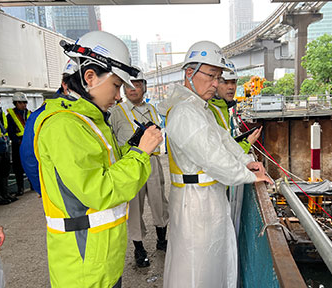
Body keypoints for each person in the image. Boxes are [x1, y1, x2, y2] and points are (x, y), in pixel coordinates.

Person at [33, 31, 162, 288]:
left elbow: (107, 169)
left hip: (100, 255)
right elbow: (100, 191)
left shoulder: (89, 121)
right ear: (90, 77)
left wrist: (132, 148)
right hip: (83, 263)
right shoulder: (64, 126)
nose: (118, 97)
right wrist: (141, 154)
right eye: (116, 86)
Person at [158, 40, 272, 288]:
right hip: (195, 201)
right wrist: (249, 175)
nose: (215, 84)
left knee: (210, 265)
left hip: (207, 197)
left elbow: (223, 141)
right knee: (196, 269)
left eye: (218, 77)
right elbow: (212, 157)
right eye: (211, 76)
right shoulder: (185, 112)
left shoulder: (200, 109)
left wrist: (245, 162)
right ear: (190, 72)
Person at [110, 70, 169, 268]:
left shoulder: (152, 109)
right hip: (130, 164)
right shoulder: (117, 112)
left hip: (152, 163)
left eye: (136, 85)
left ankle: (162, 240)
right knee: (134, 208)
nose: (131, 89)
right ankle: (139, 247)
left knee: (159, 201)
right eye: (127, 85)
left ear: (144, 86)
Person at [20, 59, 78, 196]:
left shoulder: (95, 111)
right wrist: (44, 190)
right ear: (65, 84)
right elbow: (30, 157)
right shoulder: (41, 116)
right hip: (63, 197)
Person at [208, 59, 262, 153]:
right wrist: (247, 142)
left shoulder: (223, 107)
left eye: (233, 82)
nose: (231, 87)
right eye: (225, 82)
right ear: (215, 83)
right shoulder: (209, 111)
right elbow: (220, 155)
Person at [7, 92, 31, 196]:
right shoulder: (10, 116)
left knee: (31, 164)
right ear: (16, 103)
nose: (23, 105)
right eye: (21, 103)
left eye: (25, 102)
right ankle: (20, 187)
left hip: (30, 143)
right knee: (18, 167)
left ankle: (33, 185)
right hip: (18, 144)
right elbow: (10, 131)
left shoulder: (30, 113)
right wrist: (17, 140)